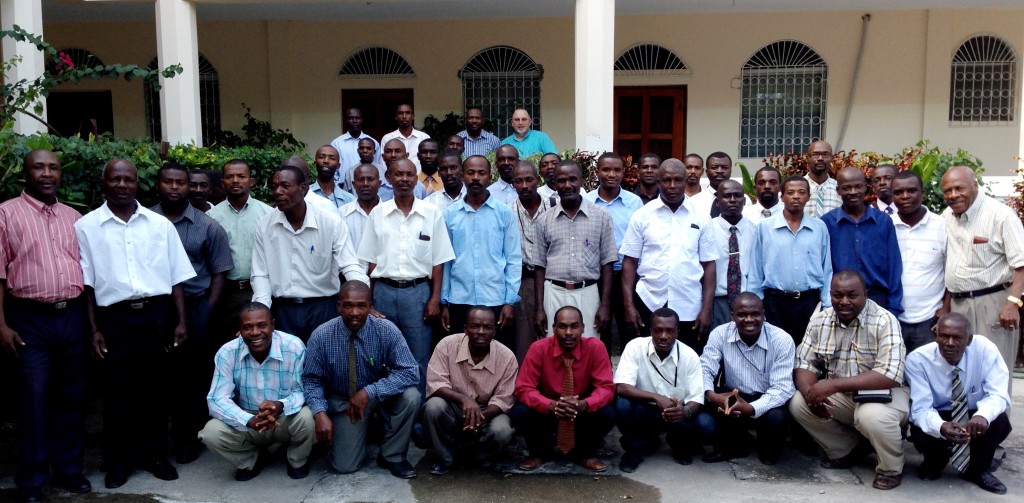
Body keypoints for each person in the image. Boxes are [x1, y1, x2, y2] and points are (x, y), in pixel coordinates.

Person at [75, 159, 196, 489]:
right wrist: (94, 329)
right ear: (104, 183)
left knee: (155, 390)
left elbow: (177, 278)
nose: (122, 185)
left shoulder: (159, 225)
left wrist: (181, 321)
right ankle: (119, 461)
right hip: (114, 319)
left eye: (128, 179)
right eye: (115, 179)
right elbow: (86, 284)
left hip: (156, 316)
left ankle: (155, 455)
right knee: (117, 394)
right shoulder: (86, 227)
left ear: (137, 183)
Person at [0, 150, 90, 501]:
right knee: (34, 397)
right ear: (27, 173)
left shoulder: (73, 216)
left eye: (53, 167)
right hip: (28, 319)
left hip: (71, 315)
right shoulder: (7, 214)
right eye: (39, 167)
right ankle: (33, 479)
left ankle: (69, 470)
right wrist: (2, 325)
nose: (47, 173)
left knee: (71, 395)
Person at [789, 271, 909, 491]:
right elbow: (804, 363)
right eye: (837, 295)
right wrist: (811, 394)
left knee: (870, 415)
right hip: (845, 396)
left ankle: (890, 468)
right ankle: (848, 450)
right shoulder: (820, 320)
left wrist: (831, 385)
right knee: (799, 402)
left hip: (887, 393)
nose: (844, 301)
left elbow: (890, 374)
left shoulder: (884, 320)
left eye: (852, 295)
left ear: (865, 294)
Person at [150, 162, 234, 465]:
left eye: (180, 183)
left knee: (193, 377)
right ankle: (156, 444)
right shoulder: (144, 220)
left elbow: (219, 272)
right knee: (158, 377)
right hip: (155, 307)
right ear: (158, 184)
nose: (175, 188)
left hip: (196, 305)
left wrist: (207, 309)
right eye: (168, 182)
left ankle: (189, 439)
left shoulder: (207, 225)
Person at [302, 281, 420, 478]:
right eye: (348, 305)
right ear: (338, 305)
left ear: (370, 305)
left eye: (361, 305)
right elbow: (311, 380)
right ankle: (363, 431)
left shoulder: (386, 330)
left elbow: (410, 371)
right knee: (344, 466)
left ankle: (392, 455)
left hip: (378, 396)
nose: (355, 312)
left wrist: (369, 392)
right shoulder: (321, 336)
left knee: (411, 396)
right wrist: (319, 413)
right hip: (344, 401)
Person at [358, 158, 455, 395]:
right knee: (381, 356)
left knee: (418, 357)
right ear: (389, 179)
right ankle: (386, 411)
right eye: (398, 174)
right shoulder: (378, 214)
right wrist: (369, 302)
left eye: (409, 174)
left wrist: (434, 299)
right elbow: (369, 263)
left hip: (418, 294)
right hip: (384, 293)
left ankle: (417, 417)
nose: (404, 179)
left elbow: (439, 260)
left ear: (416, 178)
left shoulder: (431, 213)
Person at [250, 163, 369, 342]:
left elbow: (350, 265)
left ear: (303, 188)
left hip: (322, 308)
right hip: (282, 310)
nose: (278, 192)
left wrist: (361, 297)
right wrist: (261, 313)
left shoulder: (330, 222)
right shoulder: (265, 225)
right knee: (288, 366)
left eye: (285, 186)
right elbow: (260, 274)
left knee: (325, 365)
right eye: (274, 187)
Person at [199, 302, 315, 481]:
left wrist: (280, 405)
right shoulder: (227, 352)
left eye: (262, 325)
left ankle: (297, 460)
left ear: (273, 325)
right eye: (247, 327)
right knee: (211, 433)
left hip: (283, 416)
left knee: (307, 418)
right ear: (240, 330)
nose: (255, 333)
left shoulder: (293, 346)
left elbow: (303, 391)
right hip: (248, 420)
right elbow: (217, 399)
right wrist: (248, 419)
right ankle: (252, 459)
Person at [906, 313, 1012, 494]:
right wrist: (941, 426)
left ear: (969, 340)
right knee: (921, 429)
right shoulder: (918, 360)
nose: (950, 343)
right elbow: (920, 408)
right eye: (944, 336)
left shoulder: (986, 349)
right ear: (935, 336)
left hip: (973, 414)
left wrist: (982, 416)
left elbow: (998, 394)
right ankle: (935, 461)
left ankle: (979, 470)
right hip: (941, 414)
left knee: (998, 420)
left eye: (957, 337)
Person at [941, 165, 1024, 392]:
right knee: (960, 369)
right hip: (958, 305)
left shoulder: (1001, 215)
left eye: (959, 188)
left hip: (993, 304)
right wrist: (946, 306)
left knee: (993, 369)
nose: (953, 195)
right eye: (947, 190)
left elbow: (1022, 263)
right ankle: (966, 424)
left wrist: (1012, 304)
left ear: (975, 186)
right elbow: (951, 263)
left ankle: (995, 426)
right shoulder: (946, 217)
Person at [621, 158, 718, 350]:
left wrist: (707, 310)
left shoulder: (701, 216)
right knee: (648, 361)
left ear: (686, 181)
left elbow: (709, 265)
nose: (672, 185)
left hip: (689, 304)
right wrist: (629, 306)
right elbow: (629, 262)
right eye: (666, 180)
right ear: (658, 181)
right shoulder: (642, 215)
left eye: (678, 180)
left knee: (688, 361)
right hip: (648, 301)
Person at [510, 306, 615, 472]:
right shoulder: (539, 348)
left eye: (574, 326)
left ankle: (585, 453)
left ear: (583, 328)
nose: (568, 332)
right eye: (562, 326)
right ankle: (539, 452)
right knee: (519, 411)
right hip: (548, 412)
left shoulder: (596, 347)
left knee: (608, 412)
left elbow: (606, 388)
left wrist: (585, 404)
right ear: (553, 328)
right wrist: (551, 405)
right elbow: (523, 388)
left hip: (580, 412)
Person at [697, 293, 795, 465]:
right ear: (732, 315)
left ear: (764, 314)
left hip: (768, 398)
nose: (749, 319)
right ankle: (735, 446)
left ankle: (766, 447)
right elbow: (705, 369)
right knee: (705, 399)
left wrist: (751, 408)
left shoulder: (781, 339)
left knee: (777, 419)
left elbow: (782, 388)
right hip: (735, 394)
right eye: (742, 314)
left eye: (755, 314)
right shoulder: (719, 334)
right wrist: (712, 396)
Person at [422, 307, 518, 475]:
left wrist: (478, 418)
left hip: (488, 411)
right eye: (475, 326)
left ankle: (482, 456)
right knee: (433, 406)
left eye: (487, 327)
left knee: (502, 430)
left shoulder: (507, 357)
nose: (481, 332)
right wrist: (465, 400)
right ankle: (445, 458)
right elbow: (436, 384)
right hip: (454, 405)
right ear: (465, 329)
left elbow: (504, 399)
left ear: (494, 331)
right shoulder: (447, 345)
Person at [441, 156, 521, 351]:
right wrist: (444, 302)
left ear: (490, 177)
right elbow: (445, 262)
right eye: (470, 173)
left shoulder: (504, 213)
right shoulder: (450, 214)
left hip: (496, 300)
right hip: (459, 300)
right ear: (462, 176)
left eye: (481, 173)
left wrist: (510, 302)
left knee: (498, 357)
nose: (475, 177)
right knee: (459, 355)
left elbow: (513, 259)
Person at [613, 308, 705, 473]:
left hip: (675, 414)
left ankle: (679, 444)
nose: (663, 336)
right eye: (658, 330)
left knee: (706, 424)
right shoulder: (635, 347)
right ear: (650, 331)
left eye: (670, 331)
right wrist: (656, 398)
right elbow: (622, 387)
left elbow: (697, 398)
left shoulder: (690, 356)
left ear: (678, 332)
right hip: (644, 409)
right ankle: (635, 450)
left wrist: (685, 411)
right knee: (622, 404)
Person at [533, 160, 618, 339]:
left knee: (588, 348)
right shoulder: (544, 220)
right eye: (562, 181)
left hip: (588, 293)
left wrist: (605, 305)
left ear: (581, 181)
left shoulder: (601, 217)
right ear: (554, 184)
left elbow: (607, 264)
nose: (568, 185)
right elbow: (539, 267)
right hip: (554, 292)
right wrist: (540, 308)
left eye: (573, 179)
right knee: (552, 348)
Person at [747, 176, 832, 344]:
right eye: (790, 192)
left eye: (801, 192)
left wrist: (827, 305)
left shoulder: (819, 227)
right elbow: (756, 269)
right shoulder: (765, 227)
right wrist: (755, 304)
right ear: (782, 196)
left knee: (808, 354)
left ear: (808, 197)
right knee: (776, 351)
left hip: (810, 303)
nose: (796, 197)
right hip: (775, 303)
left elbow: (827, 268)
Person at [821, 167, 903, 316]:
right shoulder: (827, 223)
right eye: (846, 188)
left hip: (878, 300)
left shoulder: (883, 221)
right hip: (841, 303)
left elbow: (894, 266)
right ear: (838, 190)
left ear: (866, 187)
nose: (853, 192)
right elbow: (823, 268)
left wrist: (894, 307)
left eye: (858, 186)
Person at [208, 159, 273, 345]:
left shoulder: (267, 214)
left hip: (258, 289)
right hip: (225, 293)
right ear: (222, 183)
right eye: (230, 177)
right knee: (226, 343)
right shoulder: (212, 218)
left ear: (251, 181)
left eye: (241, 176)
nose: (235, 180)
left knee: (259, 342)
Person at [583, 152, 643, 353]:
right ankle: (603, 378)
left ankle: (628, 378)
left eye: (617, 170)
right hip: (597, 275)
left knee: (630, 328)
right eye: (606, 169)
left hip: (627, 275)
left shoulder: (634, 203)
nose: (611, 174)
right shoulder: (586, 201)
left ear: (623, 173)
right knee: (600, 328)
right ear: (597, 171)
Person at [890, 171, 948, 352]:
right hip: (893, 319)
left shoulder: (942, 226)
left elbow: (953, 271)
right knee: (892, 378)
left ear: (922, 192)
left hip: (930, 320)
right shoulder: (886, 226)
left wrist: (945, 309)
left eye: (911, 191)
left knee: (928, 377)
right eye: (898, 192)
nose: (905, 196)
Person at [509, 161, 550, 363]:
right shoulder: (507, 212)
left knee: (551, 336)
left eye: (529, 179)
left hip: (551, 282)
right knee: (523, 342)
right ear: (513, 184)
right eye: (518, 181)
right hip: (521, 283)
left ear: (538, 180)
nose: (524, 185)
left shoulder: (554, 207)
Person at [708, 180, 755, 329]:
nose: (733, 200)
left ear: (744, 200)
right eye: (727, 196)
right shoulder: (706, 230)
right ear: (717, 202)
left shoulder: (756, 231)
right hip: (717, 302)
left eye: (737, 195)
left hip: (748, 303)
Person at [339, 164, 382, 262]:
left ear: (379, 183)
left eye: (370, 179)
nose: (365, 183)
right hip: (351, 275)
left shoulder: (390, 213)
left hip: (383, 274)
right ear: (353, 184)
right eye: (360, 179)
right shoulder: (342, 214)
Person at [330, 107, 383, 186]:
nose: (354, 121)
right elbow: (333, 168)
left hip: (368, 186)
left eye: (357, 118)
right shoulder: (336, 143)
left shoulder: (373, 143)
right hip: (344, 187)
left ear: (362, 120)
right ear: (346, 120)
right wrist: (337, 185)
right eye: (351, 118)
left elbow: (378, 166)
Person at [381, 103, 430, 172]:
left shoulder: (424, 137)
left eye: (407, 113)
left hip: (420, 179)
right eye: (401, 113)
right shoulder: (387, 138)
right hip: (395, 179)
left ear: (413, 116)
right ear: (396, 117)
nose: (404, 116)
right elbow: (384, 163)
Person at [804, 140, 841, 218]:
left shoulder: (840, 189)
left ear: (832, 158)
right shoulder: (794, 188)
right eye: (815, 154)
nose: (820, 158)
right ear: (807, 158)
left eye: (825, 154)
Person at [704, 152, 735, 217]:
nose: (719, 171)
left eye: (724, 167)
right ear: (706, 172)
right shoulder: (694, 201)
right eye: (714, 167)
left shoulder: (742, 199)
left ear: (731, 171)